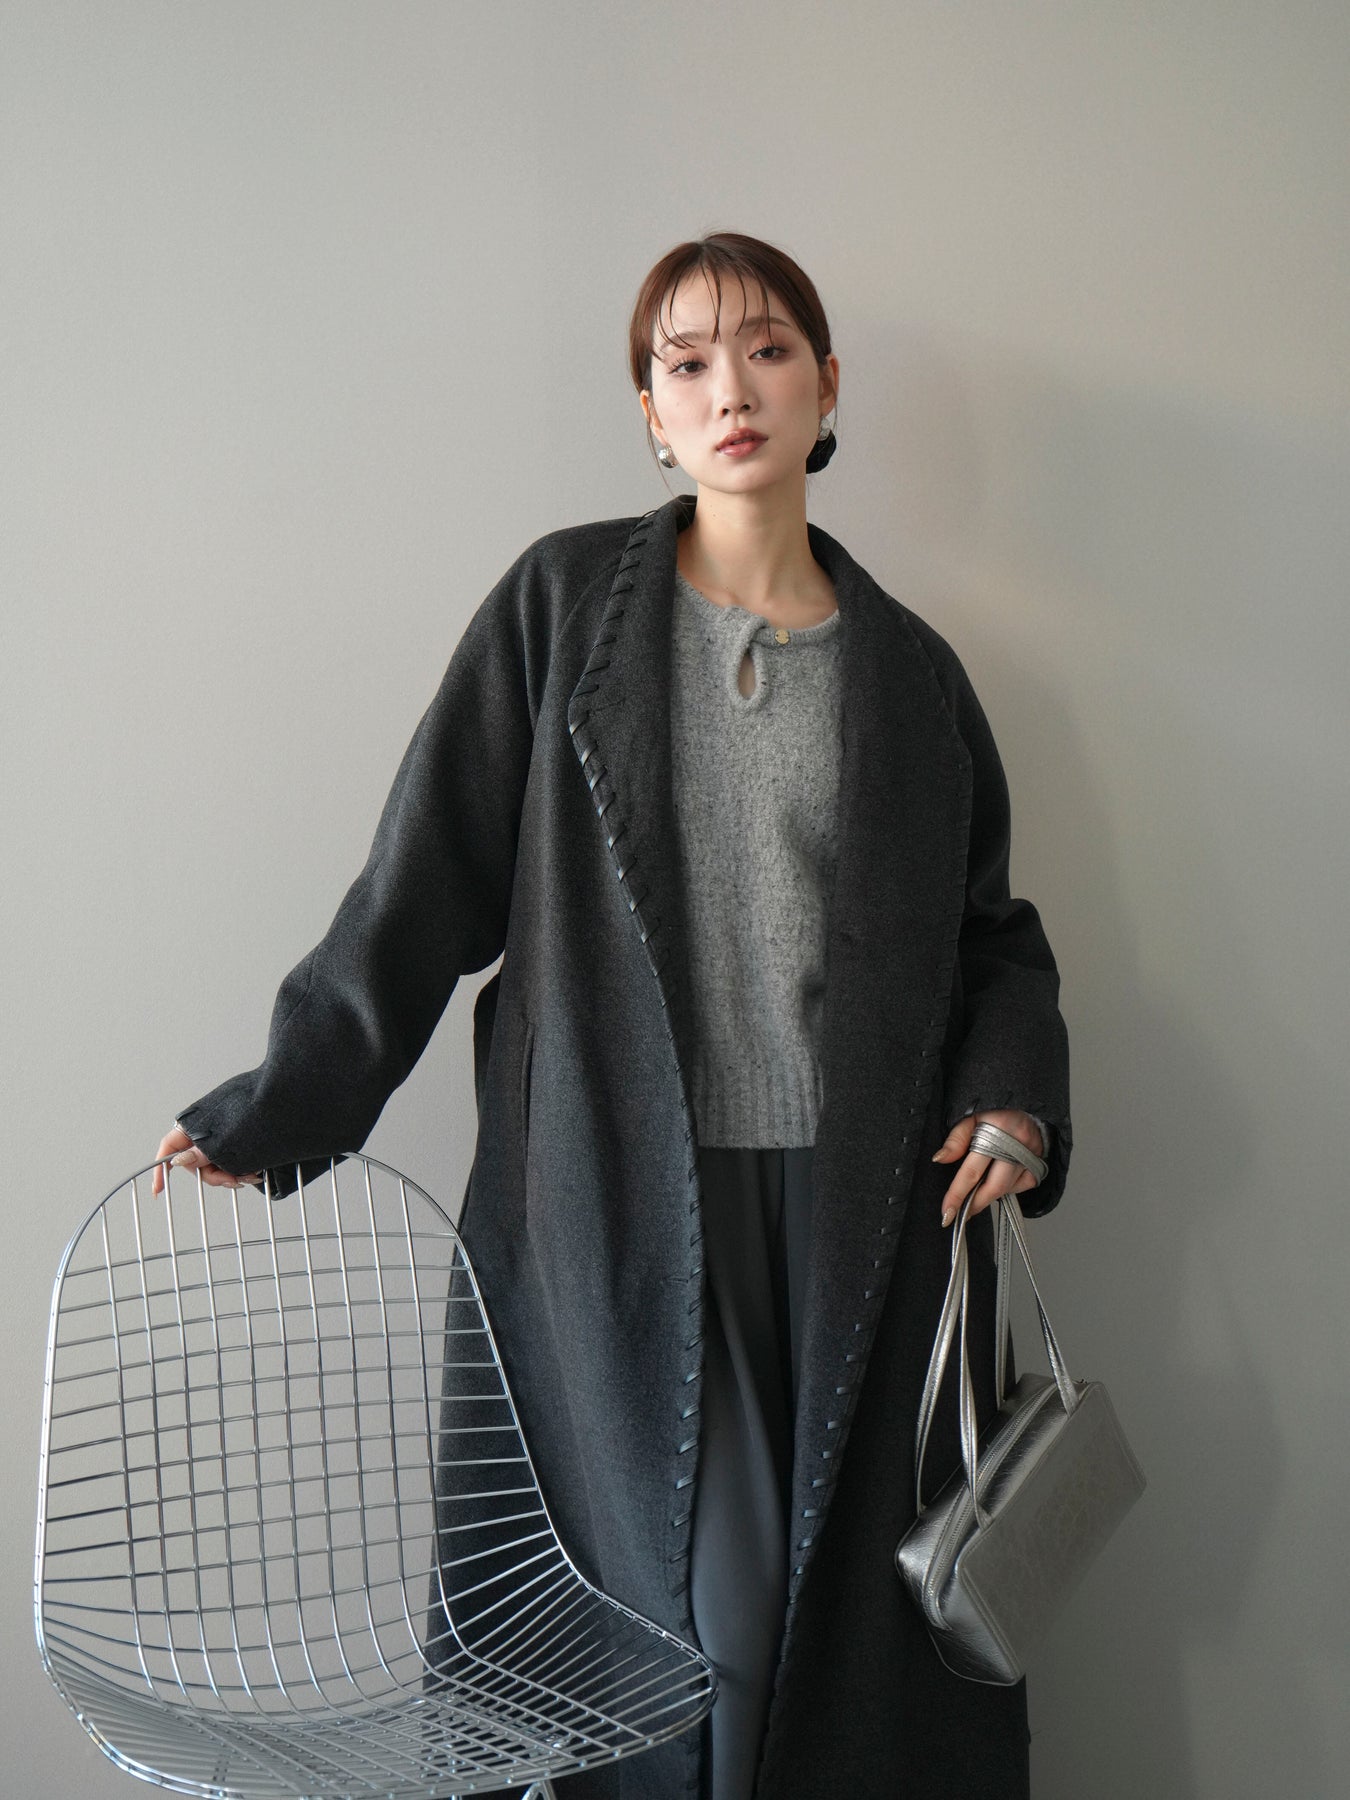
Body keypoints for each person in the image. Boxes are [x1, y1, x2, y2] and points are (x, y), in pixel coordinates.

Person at [156, 231, 1071, 1800]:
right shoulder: (564, 608)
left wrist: (1012, 1096)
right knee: (675, 1629)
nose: (730, 390)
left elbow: (989, 936)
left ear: (826, 385)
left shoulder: (913, 678)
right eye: (686, 363)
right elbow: (424, 879)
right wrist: (291, 1097)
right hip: (613, 1198)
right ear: (650, 412)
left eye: (766, 350)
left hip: (857, 1210)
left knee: (822, 1637)